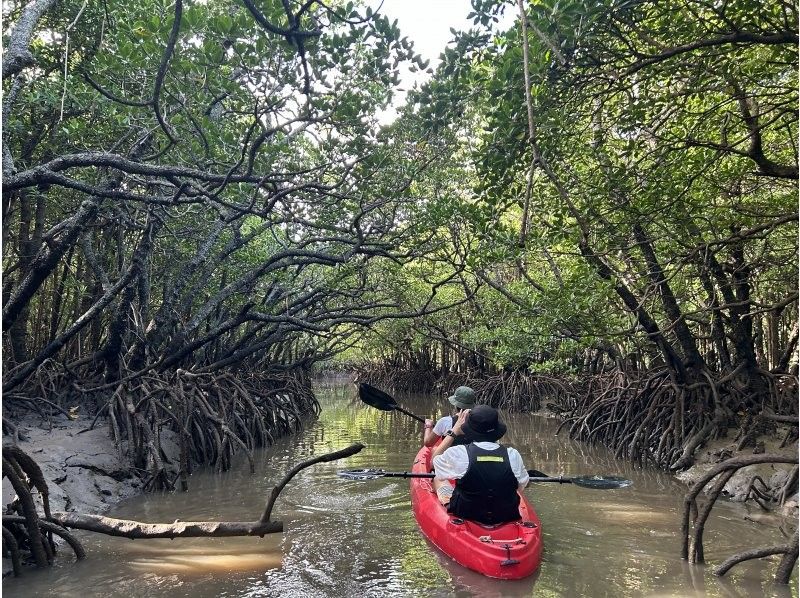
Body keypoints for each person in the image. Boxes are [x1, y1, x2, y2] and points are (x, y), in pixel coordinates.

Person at [430, 405, 529, 525]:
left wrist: (454, 432)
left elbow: (433, 462)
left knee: (436, 478)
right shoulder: (513, 455)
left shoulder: (459, 453)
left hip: (466, 514)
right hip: (506, 515)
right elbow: (520, 486)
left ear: (468, 429)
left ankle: (446, 502)